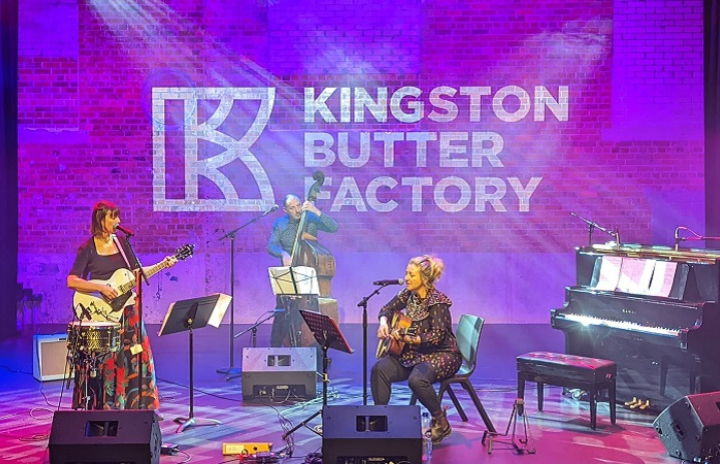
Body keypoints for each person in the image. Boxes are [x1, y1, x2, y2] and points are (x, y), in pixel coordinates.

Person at [67, 200, 176, 412]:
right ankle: (108, 405)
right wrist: (99, 286)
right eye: (113, 217)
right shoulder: (87, 248)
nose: (118, 221)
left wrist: (163, 264)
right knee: (109, 360)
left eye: (118, 216)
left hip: (127, 308)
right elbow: (72, 281)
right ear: (101, 219)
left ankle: (139, 405)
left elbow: (137, 273)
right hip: (103, 312)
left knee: (136, 355)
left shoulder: (122, 244)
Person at [371, 255, 462, 444]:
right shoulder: (408, 294)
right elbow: (386, 309)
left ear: (424, 279)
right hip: (415, 352)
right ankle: (380, 419)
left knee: (417, 379)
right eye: (406, 273)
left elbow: (438, 337)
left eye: (411, 275)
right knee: (379, 369)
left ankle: (441, 421)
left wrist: (407, 337)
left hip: (443, 353)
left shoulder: (438, 302)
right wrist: (383, 323)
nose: (407, 278)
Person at [267, 194, 338, 348]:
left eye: (298, 205)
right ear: (285, 210)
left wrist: (315, 210)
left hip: (310, 274)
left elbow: (334, 227)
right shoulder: (279, 224)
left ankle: (320, 350)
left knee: (314, 314)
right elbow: (271, 245)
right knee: (281, 311)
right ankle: (274, 349)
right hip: (290, 273)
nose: (297, 210)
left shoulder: (310, 219)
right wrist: (282, 253)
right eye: (292, 208)